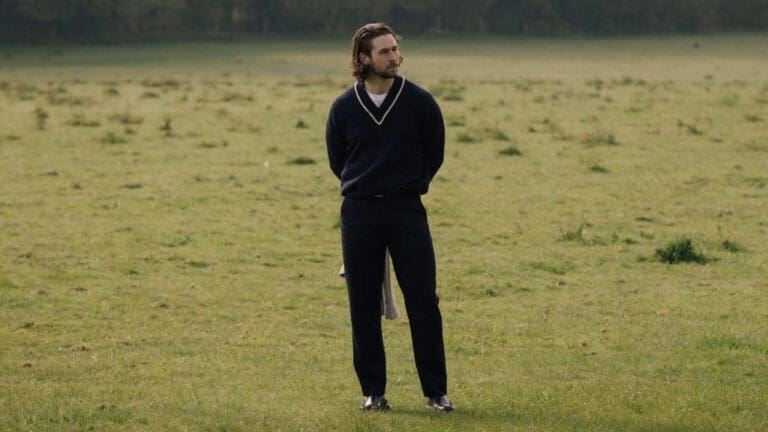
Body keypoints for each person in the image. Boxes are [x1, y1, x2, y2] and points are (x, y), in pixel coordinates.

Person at [325, 22, 453, 412]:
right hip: (359, 214)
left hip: (406, 211)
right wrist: (366, 188)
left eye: (396, 50)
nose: (394, 57)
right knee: (362, 305)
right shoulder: (344, 107)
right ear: (363, 59)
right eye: (385, 52)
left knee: (423, 301)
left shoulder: (419, 102)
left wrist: (409, 185)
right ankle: (373, 393)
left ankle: (436, 392)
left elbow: (435, 153)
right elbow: (338, 161)